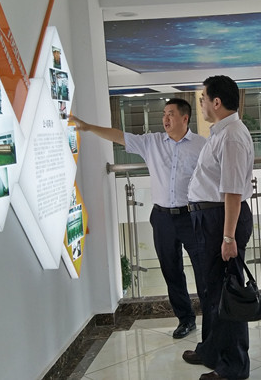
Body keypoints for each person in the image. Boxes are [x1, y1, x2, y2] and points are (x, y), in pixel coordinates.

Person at [69, 98, 207, 340]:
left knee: (203, 269)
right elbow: (119, 136)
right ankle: (186, 319)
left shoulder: (201, 145)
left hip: (192, 216)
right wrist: (88, 127)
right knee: (171, 270)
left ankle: (213, 320)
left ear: (185, 118)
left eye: (171, 114)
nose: (165, 118)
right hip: (162, 218)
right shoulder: (152, 142)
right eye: (164, 114)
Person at [181, 75, 254, 380]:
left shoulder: (232, 136)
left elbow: (233, 192)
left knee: (228, 294)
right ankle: (211, 350)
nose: (201, 104)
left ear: (217, 102)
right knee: (212, 291)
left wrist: (228, 236)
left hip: (222, 220)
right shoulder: (221, 132)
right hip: (210, 219)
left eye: (203, 99)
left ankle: (234, 367)